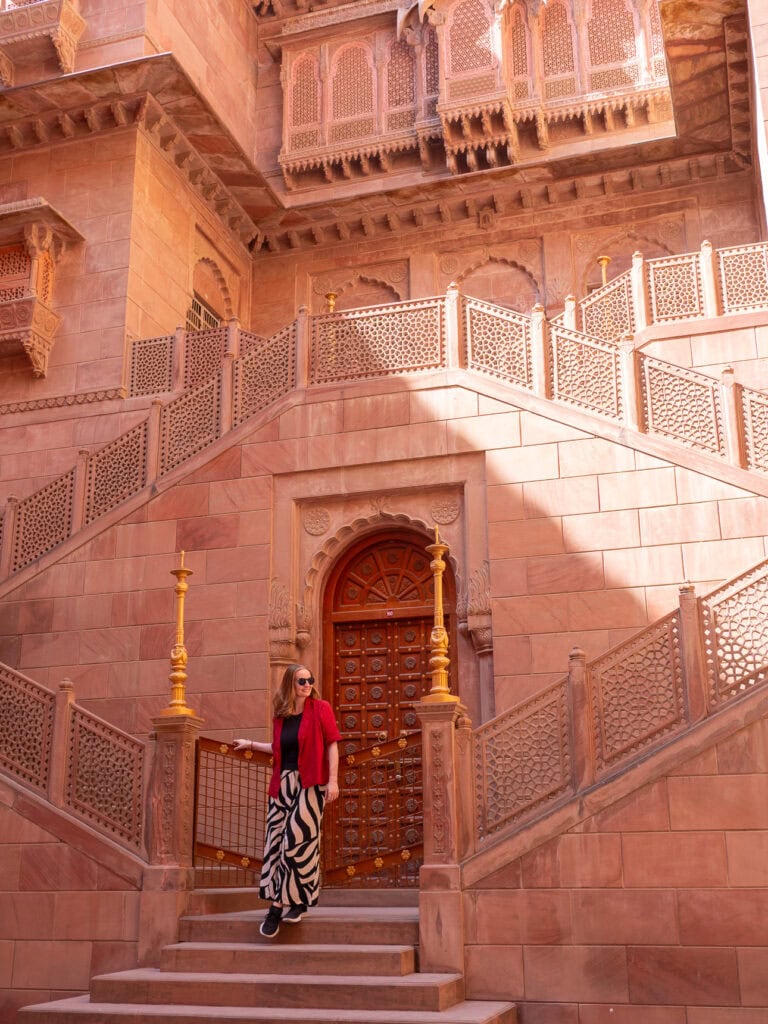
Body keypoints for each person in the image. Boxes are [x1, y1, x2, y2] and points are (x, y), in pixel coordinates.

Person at [234, 663, 340, 938]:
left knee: (297, 844)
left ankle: (276, 908)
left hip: (310, 783)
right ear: (290, 685)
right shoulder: (281, 716)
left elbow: (332, 744)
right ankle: (298, 902)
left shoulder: (320, 709)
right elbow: (278, 748)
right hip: (282, 784)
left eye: (309, 680)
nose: (307, 685)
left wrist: (334, 781)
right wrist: (252, 744)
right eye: (301, 681)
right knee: (276, 843)